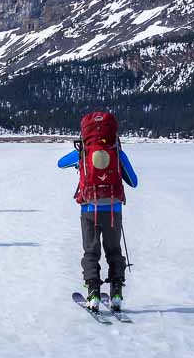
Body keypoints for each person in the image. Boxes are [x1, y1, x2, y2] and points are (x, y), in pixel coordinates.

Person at [59, 112, 138, 312]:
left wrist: (81, 160)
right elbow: (134, 181)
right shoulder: (116, 151)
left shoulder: (84, 152)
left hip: (89, 209)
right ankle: (117, 293)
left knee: (91, 251)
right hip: (113, 209)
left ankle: (93, 293)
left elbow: (60, 163)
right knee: (114, 251)